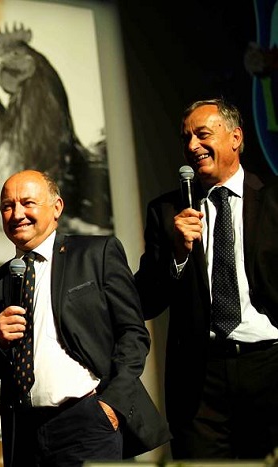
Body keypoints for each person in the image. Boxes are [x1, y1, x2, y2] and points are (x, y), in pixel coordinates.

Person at [0, 170, 169, 466]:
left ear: (57, 208)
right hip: (24, 435)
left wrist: (111, 404)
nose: (17, 214)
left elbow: (133, 333)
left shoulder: (96, 254)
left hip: (88, 423)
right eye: (8, 206)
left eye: (28, 203)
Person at [135, 98, 278, 459]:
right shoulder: (167, 211)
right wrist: (178, 254)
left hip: (270, 365)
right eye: (186, 139)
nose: (192, 146)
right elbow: (146, 300)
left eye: (202, 135)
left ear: (235, 138)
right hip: (201, 377)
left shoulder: (275, 200)